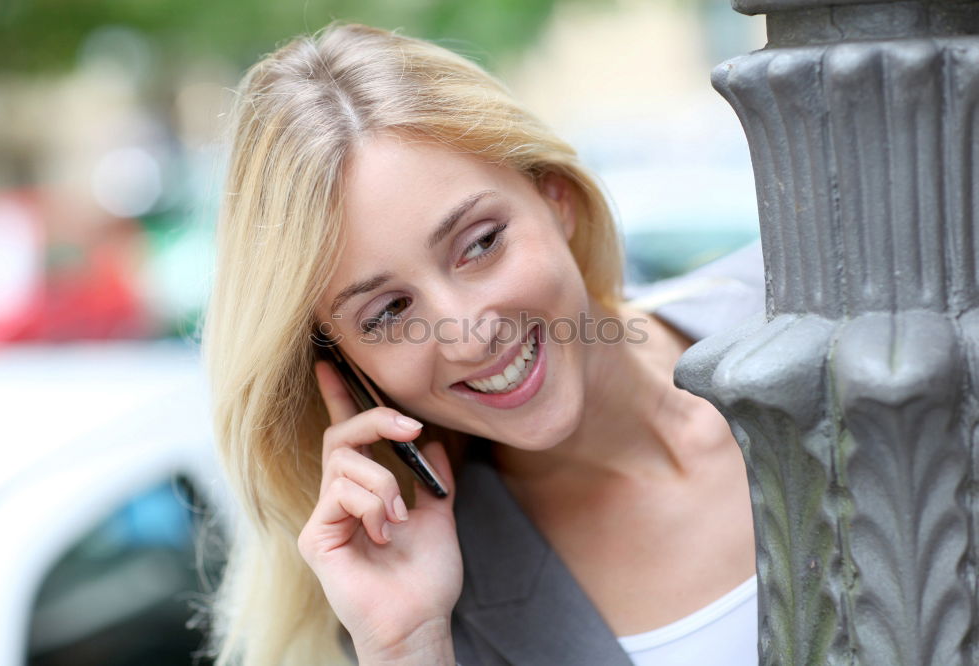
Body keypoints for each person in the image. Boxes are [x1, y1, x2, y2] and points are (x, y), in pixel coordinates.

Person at [202, 21, 761, 666]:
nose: (468, 334)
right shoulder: (419, 610)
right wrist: (409, 648)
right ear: (343, 368)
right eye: (387, 312)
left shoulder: (818, 319)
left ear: (556, 198)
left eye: (481, 243)